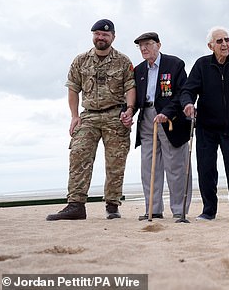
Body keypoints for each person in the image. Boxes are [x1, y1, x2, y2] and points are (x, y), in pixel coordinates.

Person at [46, 19, 135, 221]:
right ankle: (76, 205)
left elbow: (130, 87)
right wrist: (74, 116)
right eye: (97, 34)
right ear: (93, 35)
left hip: (115, 115)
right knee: (78, 155)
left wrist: (129, 110)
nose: (100, 37)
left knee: (116, 161)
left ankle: (112, 206)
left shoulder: (123, 61)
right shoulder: (80, 60)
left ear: (113, 36)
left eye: (105, 34)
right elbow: (73, 88)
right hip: (89, 115)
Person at [180, 26, 229, 221]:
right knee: (206, 170)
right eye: (219, 41)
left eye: (227, 40)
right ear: (210, 45)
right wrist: (188, 104)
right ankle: (208, 211)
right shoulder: (202, 65)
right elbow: (188, 90)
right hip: (206, 128)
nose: (224, 44)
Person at [131, 32, 192, 221]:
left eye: (148, 44)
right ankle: (153, 209)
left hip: (170, 120)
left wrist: (168, 112)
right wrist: (127, 112)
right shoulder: (139, 70)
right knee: (149, 167)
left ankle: (179, 210)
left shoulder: (175, 64)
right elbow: (135, 98)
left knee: (175, 167)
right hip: (147, 119)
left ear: (158, 45)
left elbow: (182, 92)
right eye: (141, 46)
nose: (144, 48)